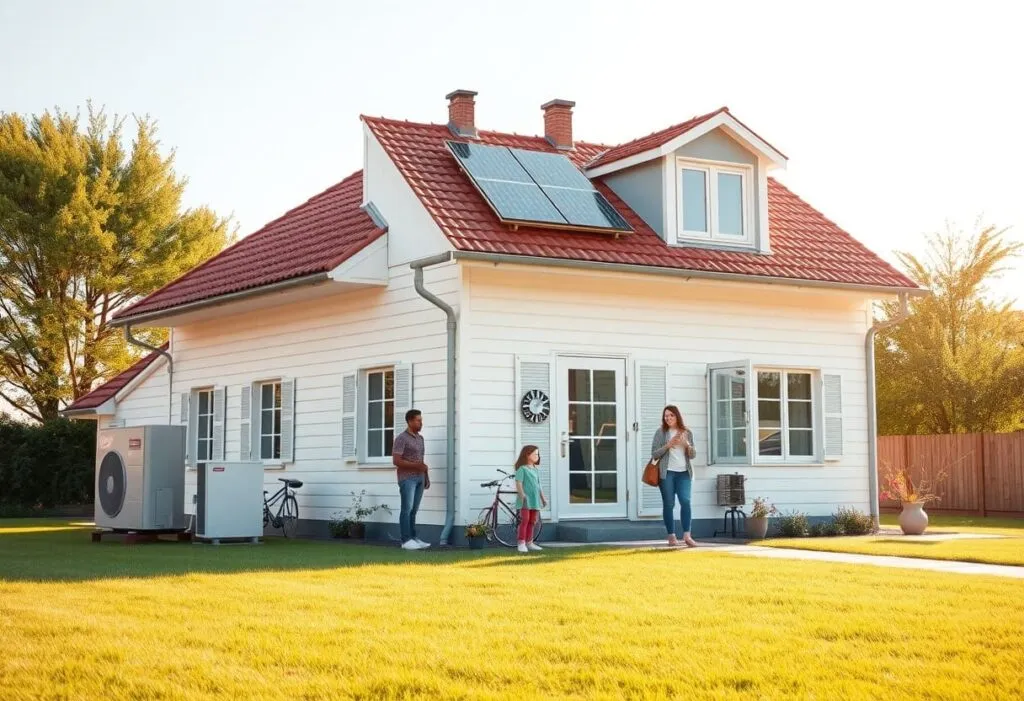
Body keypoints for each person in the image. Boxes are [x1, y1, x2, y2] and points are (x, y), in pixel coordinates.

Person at [650, 405, 697, 547]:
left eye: (671, 415)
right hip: (667, 473)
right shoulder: (661, 432)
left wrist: (687, 445)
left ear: (677, 416)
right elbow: (654, 454)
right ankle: (671, 536)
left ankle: (687, 536)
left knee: (686, 502)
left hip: (684, 473)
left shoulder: (687, 432)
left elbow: (693, 455)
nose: (668, 418)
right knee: (669, 504)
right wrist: (668, 445)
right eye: (666, 416)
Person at [392, 409, 431, 550]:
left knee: (414, 510)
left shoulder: (420, 439)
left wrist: (426, 477)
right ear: (409, 421)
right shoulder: (401, 439)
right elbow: (396, 460)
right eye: (418, 420)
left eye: (421, 420)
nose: (421, 423)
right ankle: (406, 540)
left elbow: (421, 461)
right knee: (406, 509)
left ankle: (414, 538)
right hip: (407, 479)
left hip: (420, 478)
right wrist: (417, 466)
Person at [514, 445, 546, 553]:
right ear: (527, 455)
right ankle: (521, 543)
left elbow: (538, 485)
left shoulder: (535, 470)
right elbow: (519, 483)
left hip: (535, 500)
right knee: (525, 520)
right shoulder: (522, 469)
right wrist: (522, 494)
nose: (537, 456)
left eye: (538, 454)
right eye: (535, 454)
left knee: (533, 521)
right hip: (525, 500)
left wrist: (543, 498)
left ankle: (529, 542)